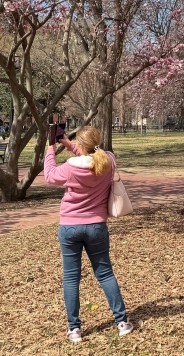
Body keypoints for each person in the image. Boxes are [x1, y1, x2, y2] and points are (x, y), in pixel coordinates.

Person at [43, 125, 133, 344]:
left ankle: (74, 329)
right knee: (105, 274)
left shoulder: (70, 167)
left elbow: (50, 176)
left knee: (71, 278)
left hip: (70, 227)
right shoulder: (108, 160)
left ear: (81, 145)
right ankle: (122, 322)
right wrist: (69, 144)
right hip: (96, 227)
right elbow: (91, 155)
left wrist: (51, 148)